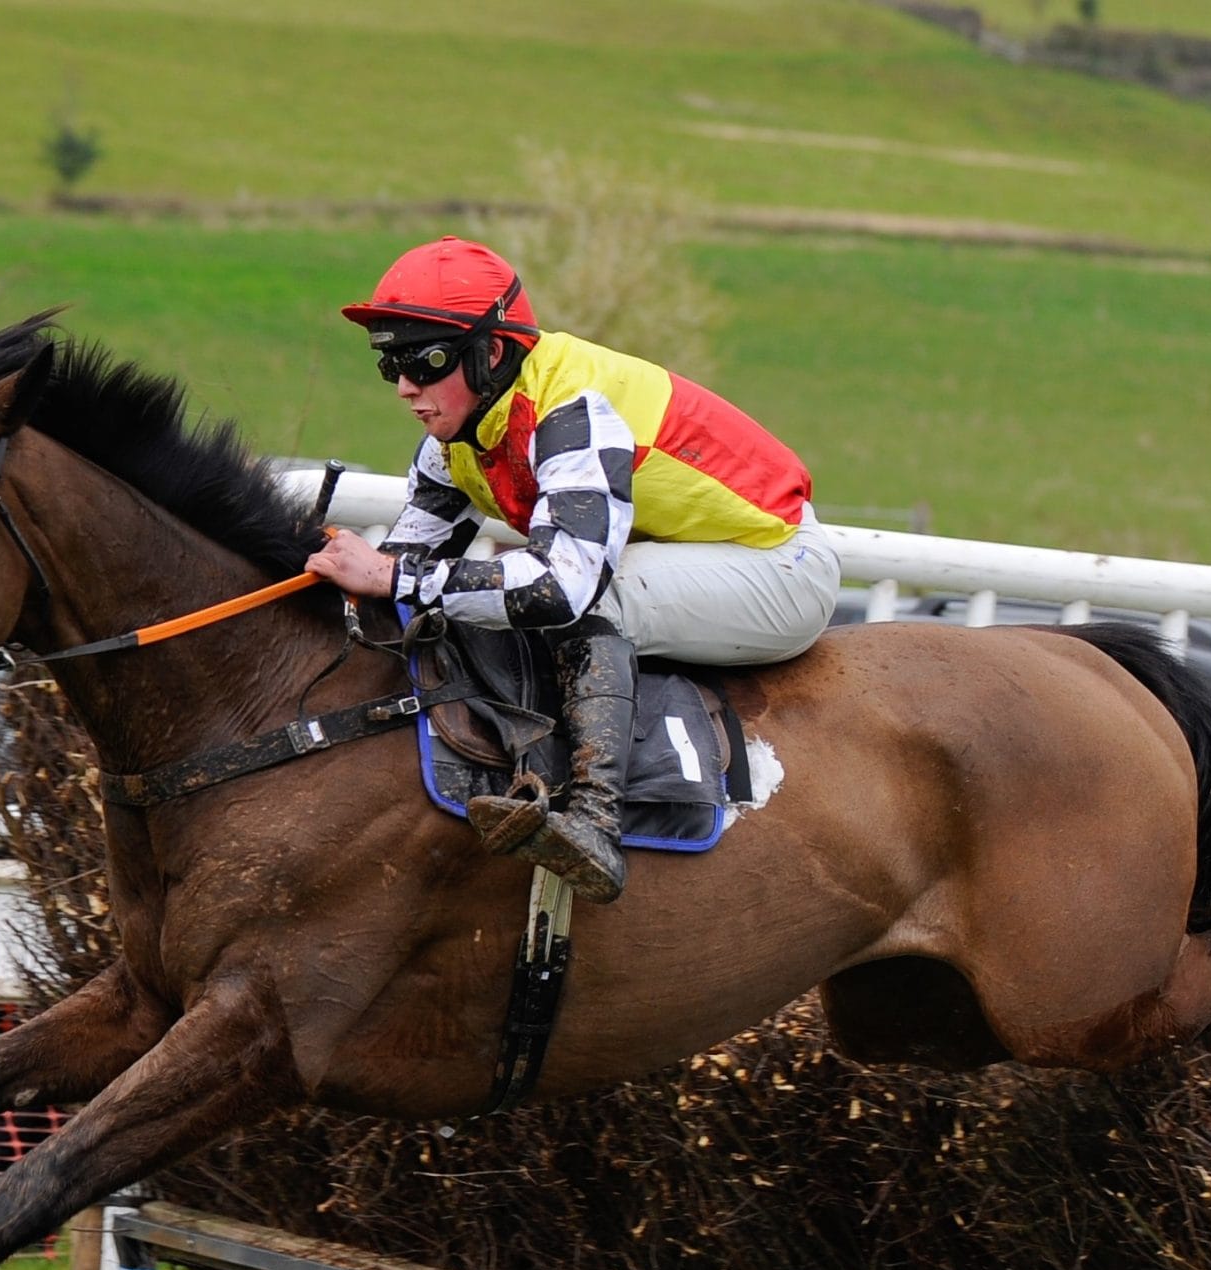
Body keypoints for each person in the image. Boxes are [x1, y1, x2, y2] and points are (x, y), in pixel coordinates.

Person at [308, 236, 840, 904]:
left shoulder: (572, 409)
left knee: (588, 600)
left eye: (425, 361)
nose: (405, 387)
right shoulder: (456, 435)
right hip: (694, 554)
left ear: (490, 353)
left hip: (780, 565)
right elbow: (406, 562)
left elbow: (559, 587)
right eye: (391, 364)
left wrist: (394, 577)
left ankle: (595, 818)